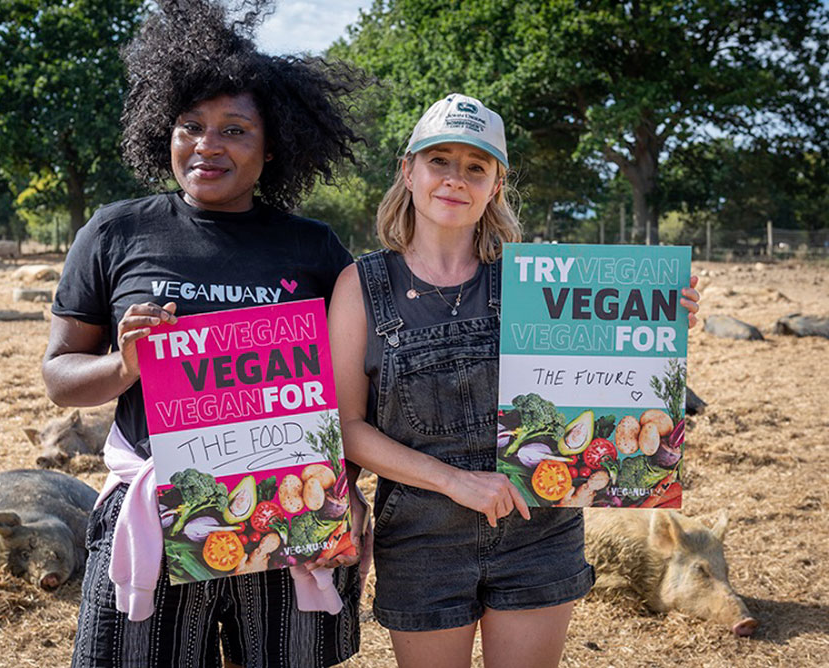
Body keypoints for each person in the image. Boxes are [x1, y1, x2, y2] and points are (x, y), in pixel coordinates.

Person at [41, 2, 368, 666]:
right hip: (153, 516)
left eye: (235, 130)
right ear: (164, 130)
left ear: (271, 146)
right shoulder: (115, 231)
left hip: (288, 515)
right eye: (191, 126)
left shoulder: (314, 248)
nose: (207, 145)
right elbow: (59, 379)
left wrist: (348, 486)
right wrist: (124, 367)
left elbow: (352, 383)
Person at [327, 93, 701, 668]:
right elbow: (347, 427)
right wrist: (456, 482)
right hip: (424, 537)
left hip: (539, 530)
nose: (456, 179)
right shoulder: (362, 285)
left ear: (496, 185)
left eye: (476, 166)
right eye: (439, 160)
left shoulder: (535, 280)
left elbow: (607, 380)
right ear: (408, 170)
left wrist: (657, 316)